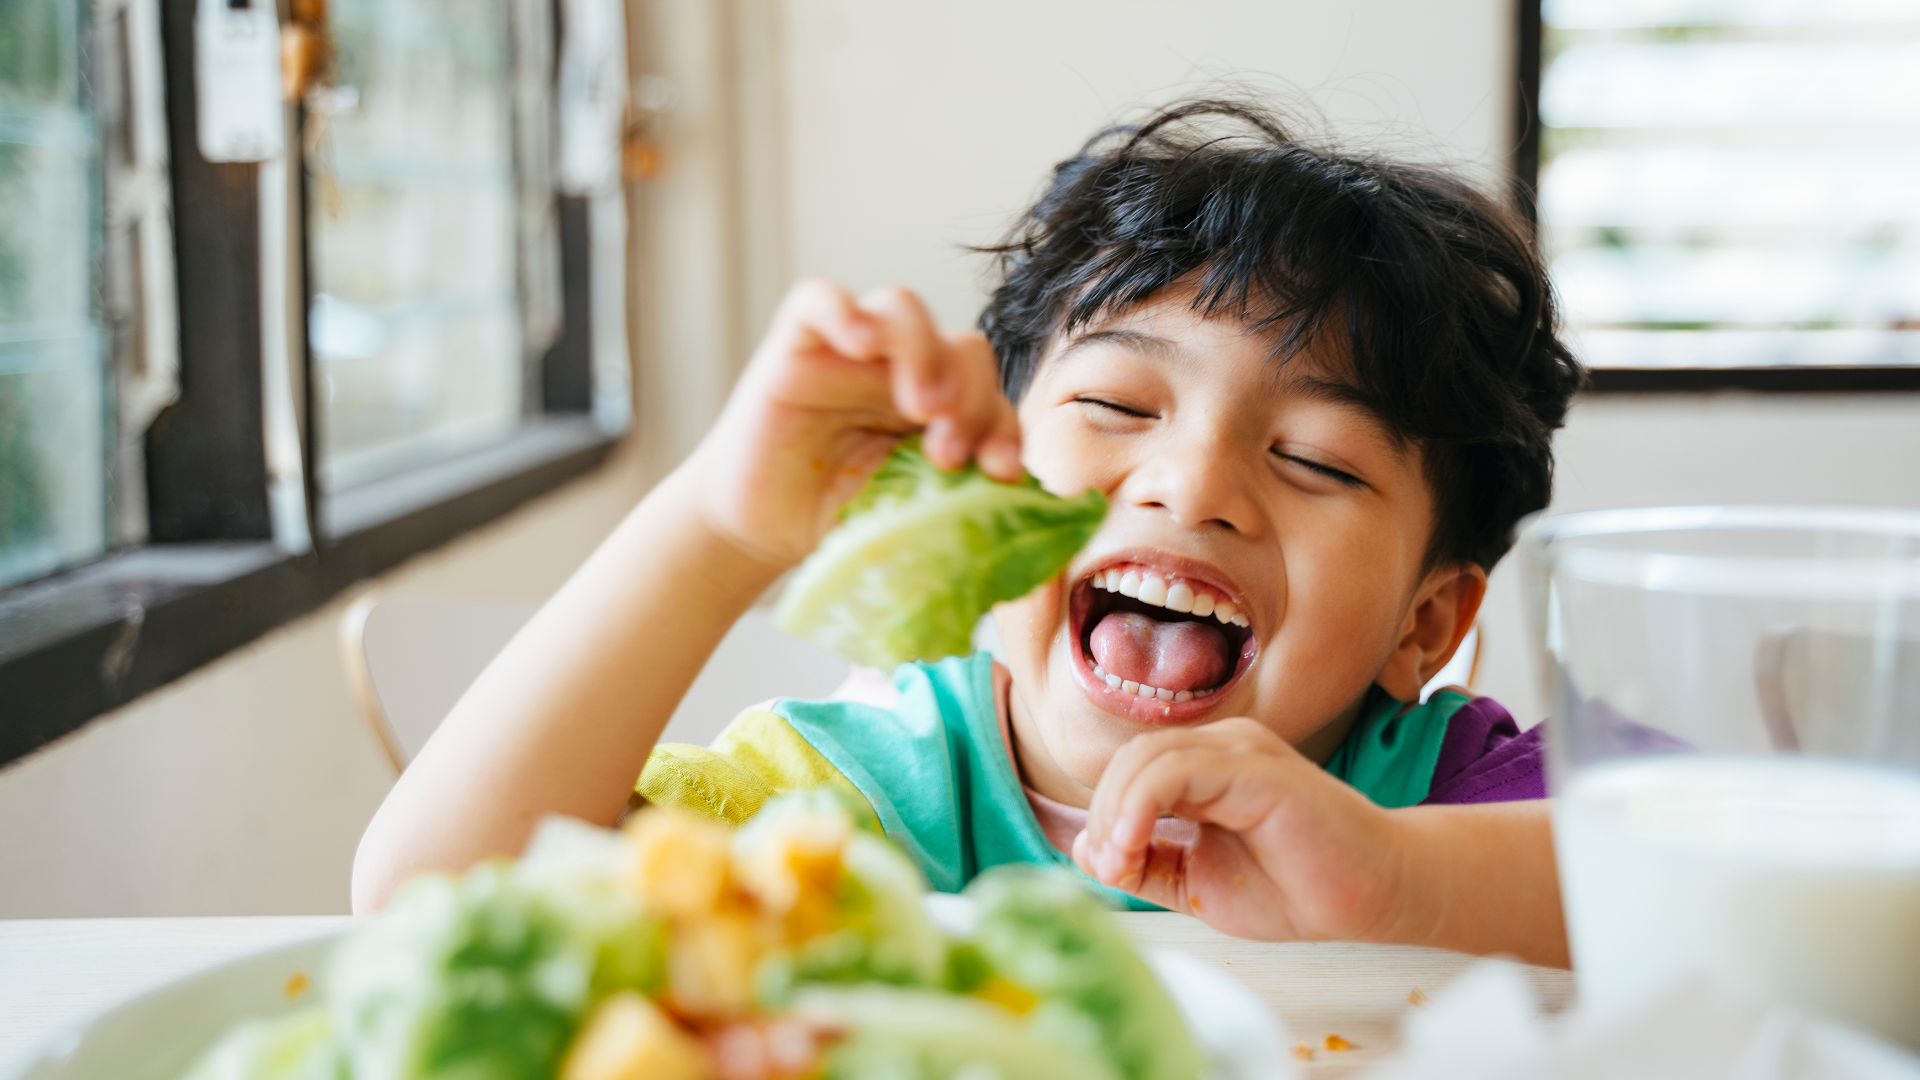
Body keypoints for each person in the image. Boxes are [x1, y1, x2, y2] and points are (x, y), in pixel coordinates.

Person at [353, 100, 1584, 968]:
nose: (1190, 485)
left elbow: (1683, 890)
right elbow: (431, 910)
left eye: (1316, 460)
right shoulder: (854, 802)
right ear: (986, 466)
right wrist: (717, 530)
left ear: (1427, 622)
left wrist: (1394, 878)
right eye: (1118, 405)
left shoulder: (1446, 801)